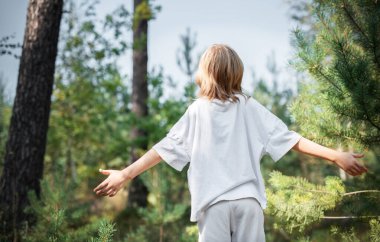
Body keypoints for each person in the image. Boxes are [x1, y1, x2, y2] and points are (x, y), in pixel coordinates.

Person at [93, 44, 368, 242]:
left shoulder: (197, 111)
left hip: (214, 206)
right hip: (248, 203)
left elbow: (163, 149)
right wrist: (335, 156)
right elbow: (291, 139)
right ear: (237, 73)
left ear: (204, 74)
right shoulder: (250, 106)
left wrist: (125, 174)